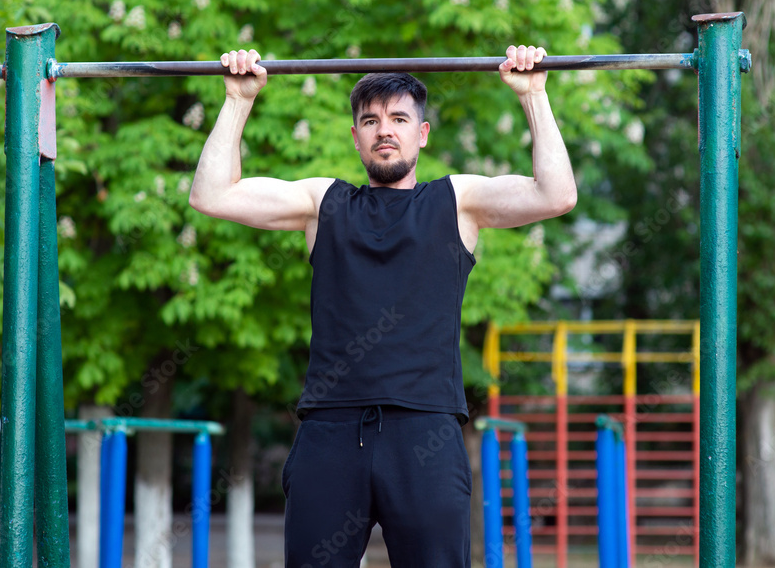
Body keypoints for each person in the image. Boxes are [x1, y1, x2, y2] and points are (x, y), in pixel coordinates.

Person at [189, 45, 577, 567]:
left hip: (425, 434)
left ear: (422, 134)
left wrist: (534, 96)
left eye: (398, 118)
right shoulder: (322, 203)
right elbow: (212, 195)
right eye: (370, 121)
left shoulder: (456, 201)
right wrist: (238, 100)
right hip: (330, 433)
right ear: (356, 137)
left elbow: (556, 194)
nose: (384, 130)